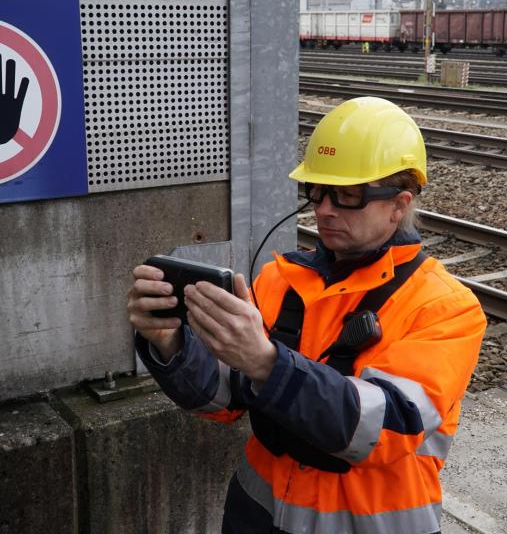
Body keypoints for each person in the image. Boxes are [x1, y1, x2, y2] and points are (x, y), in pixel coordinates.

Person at [128, 96, 486, 534]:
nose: (324, 209)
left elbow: (382, 428)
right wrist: (170, 344)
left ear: (399, 204)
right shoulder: (282, 279)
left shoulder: (445, 308)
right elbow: (224, 400)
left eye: (348, 195)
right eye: (316, 192)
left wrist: (266, 362)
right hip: (256, 516)